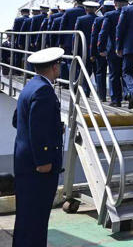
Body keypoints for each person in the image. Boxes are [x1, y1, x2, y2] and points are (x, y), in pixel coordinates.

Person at [12, 47, 65, 247]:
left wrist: (53, 128)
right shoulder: (44, 90)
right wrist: (43, 161)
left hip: (24, 162)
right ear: (53, 67)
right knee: (37, 217)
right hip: (38, 167)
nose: (60, 68)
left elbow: (18, 121)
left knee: (26, 215)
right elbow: (37, 129)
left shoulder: (30, 86)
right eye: (59, 65)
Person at [98, 0, 130, 106]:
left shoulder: (109, 15)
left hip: (113, 49)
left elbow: (103, 33)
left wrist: (101, 48)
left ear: (115, 4)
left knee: (114, 75)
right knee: (127, 73)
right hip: (129, 50)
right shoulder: (132, 15)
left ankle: (116, 100)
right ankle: (128, 94)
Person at [57, 0, 88, 80]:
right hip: (84, 42)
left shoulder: (68, 12)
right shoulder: (87, 12)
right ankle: (80, 81)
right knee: (82, 62)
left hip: (69, 41)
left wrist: (61, 42)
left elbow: (62, 27)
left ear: (75, 2)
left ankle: (70, 81)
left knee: (70, 61)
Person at [90, 1, 113, 101]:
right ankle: (116, 97)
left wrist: (93, 52)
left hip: (101, 50)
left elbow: (94, 37)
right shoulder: (118, 17)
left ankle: (102, 96)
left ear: (103, 9)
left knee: (100, 72)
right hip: (114, 50)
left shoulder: (98, 20)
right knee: (115, 73)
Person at [73, 1, 99, 88]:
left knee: (84, 69)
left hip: (82, 48)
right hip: (96, 48)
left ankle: (85, 90)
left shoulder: (80, 19)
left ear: (85, 9)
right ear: (95, 9)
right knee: (97, 70)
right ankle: (100, 92)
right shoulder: (99, 19)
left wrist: (74, 47)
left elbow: (76, 35)